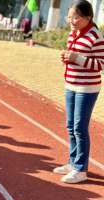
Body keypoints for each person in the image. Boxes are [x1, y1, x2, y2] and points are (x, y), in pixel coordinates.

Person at [54, 0, 103, 184]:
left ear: (87, 18)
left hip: (87, 87)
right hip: (71, 85)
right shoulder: (72, 33)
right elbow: (74, 56)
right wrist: (67, 57)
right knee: (70, 126)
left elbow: (101, 64)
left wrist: (77, 58)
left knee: (80, 128)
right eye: (69, 17)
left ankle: (81, 170)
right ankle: (73, 162)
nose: (71, 21)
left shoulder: (95, 36)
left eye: (75, 17)